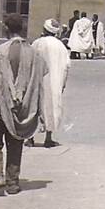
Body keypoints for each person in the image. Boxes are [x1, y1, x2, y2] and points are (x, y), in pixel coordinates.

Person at [0, 13, 47, 196]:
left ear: (7, 29)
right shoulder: (34, 53)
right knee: (16, 141)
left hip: (0, 105)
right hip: (23, 107)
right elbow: (40, 78)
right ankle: (12, 183)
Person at [29, 19, 70, 148]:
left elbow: (30, 61)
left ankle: (30, 138)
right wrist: (63, 83)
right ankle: (48, 138)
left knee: (34, 107)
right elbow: (66, 66)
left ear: (44, 30)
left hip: (38, 80)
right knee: (51, 107)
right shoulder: (60, 46)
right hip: (55, 81)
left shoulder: (37, 43)